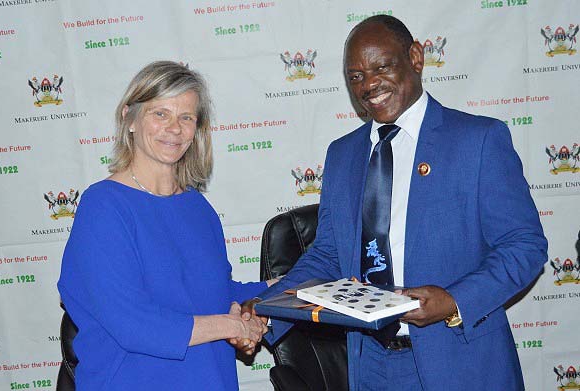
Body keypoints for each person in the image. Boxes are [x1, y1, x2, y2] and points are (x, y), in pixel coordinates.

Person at [237, 15, 547, 390]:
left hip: (459, 362)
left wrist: (453, 301)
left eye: (381, 66)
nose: (368, 85)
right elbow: (328, 255)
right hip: (369, 365)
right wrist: (264, 310)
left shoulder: (478, 140)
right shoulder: (343, 155)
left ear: (415, 57)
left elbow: (524, 246)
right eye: (355, 76)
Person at [58, 61, 274, 390]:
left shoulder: (198, 208)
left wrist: (287, 288)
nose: (174, 128)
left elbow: (213, 294)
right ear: (129, 119)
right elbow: (132, 324)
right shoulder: (103, 207)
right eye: (160, 113)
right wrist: (232, 327)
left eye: (186, 117)